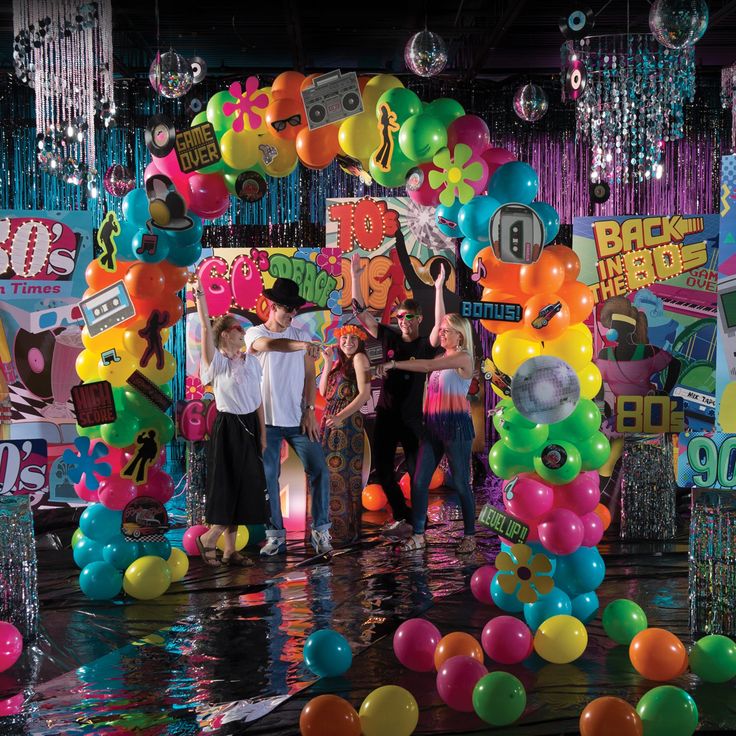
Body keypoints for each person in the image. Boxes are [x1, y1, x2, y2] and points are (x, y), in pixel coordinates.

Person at [351, 252, 444, 537]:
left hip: (413, 419)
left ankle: (417, 522)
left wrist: (438, 289)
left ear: (418, 319)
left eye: (409, 317)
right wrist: (355, 277)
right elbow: (360, 313)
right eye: (401, 317)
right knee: (383, 469)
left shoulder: (423, 345)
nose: (404, 321)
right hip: (387, 417)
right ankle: (404, 516)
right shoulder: (388, 336)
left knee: (418, 476)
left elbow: (440, 328)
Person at [244, 277, 332, 556]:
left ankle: (321, 530)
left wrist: (309, 411)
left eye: (295, 310)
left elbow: (309, 376)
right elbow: (270, 345)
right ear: (273, 306)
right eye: (287, 310)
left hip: (298, 420)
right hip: (266, 421)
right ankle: (275, 535)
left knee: (319, 470)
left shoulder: (301, 335)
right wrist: (304, 347)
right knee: (270, 477)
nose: (292, 315)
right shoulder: (254, 334)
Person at [377, 313, 477, 554]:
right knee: (419, 482)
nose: (441, 333)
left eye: (446, 330)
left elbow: (427, 366)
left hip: (456, 427)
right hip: (433, 426)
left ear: (460, 335)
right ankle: (419, 535)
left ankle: (470, 535)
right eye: (440, 329)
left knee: (462, 484)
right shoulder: (442, 356)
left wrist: (394, 363)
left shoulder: (463, 358)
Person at [190, 274, 268, 567]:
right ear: (225, 335)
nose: (242, 333)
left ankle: (229, 550)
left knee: (246, 486)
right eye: (238, 330)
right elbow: (208, 336)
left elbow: (258, 401)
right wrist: (200, 300)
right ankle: (210, 538)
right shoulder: (218, 362)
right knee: (228, 484)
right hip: (229, 427)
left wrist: (261, 434)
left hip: (249, 424)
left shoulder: (250, 363)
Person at [319, 323, 372, 544]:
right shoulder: (340, 364)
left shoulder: (360, 360)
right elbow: (323, 392)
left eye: (353, 338)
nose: (348, 342)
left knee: (344, 478)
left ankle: (345, 533)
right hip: (332, 423)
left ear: (360, 342)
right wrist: (328, 362)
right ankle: (335, 531)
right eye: (344, 338)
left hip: (348, 424)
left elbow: (365, 394)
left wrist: (341, 416)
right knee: (332, 478)